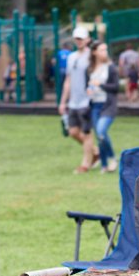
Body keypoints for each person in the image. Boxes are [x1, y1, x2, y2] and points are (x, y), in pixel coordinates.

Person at [58, 26, 97, 174]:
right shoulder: (71, 57)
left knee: (87, 133)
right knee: (73, 131)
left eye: (81, 38)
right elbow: (68, 80)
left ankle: (85, 165)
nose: (78, 41)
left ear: (87, 39)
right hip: (73, 102)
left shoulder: (91, 56)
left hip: (86, 101)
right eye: (76, 38)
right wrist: (63, 101)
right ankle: (95, 152)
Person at [87, 40, 119, 173]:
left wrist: (100, 84)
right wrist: (89, 90)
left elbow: (116, 87)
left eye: (105, 50)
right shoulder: (91, 68)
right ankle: (104, 165)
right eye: (101, 50)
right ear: (94, 52)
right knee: (99, 136)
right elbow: (89, 84)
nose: (104, 52)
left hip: (108, 105)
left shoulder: (110, 67)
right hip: (95, 105)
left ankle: (112, 158)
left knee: (101, 131)